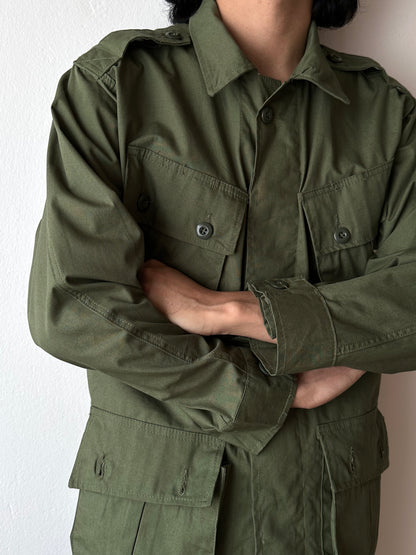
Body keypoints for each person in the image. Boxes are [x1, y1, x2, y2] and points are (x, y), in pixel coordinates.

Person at [27, 0, 416, 553]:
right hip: (159, 526)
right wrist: (265, 393)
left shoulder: (387, 113)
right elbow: (73, 305)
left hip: (324, 523)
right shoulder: (119, 84)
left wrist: (228, 311)